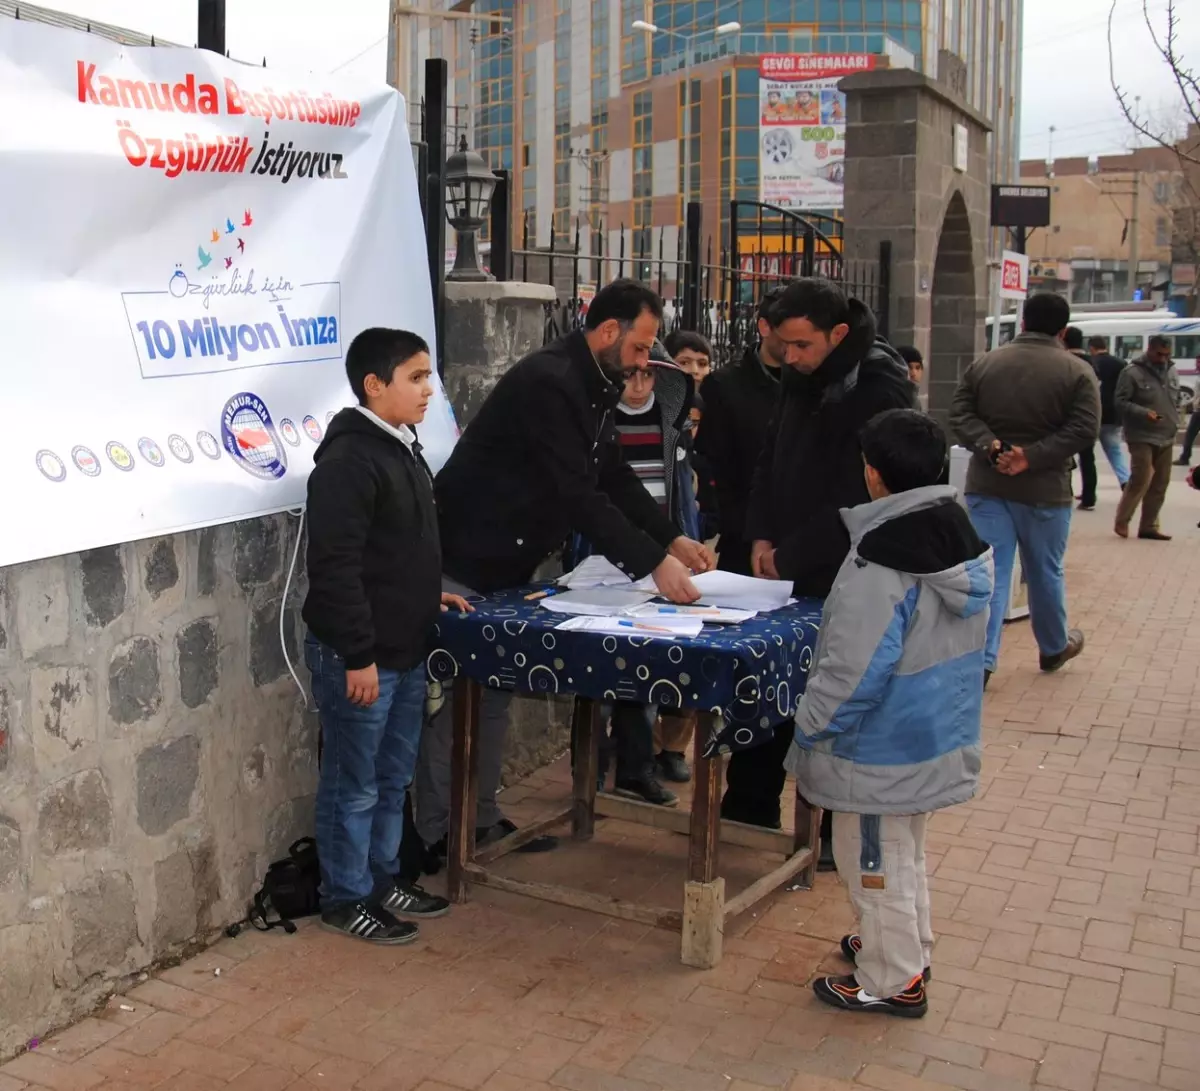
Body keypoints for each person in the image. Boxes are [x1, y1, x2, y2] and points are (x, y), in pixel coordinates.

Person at [415, 279, 716, 864]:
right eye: (639, 348)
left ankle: (476, 819)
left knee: (492, 695)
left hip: (506, 563)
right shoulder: (550, 382)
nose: (643, 364)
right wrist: (654, 564)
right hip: (466, 555)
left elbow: (613, 473)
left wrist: (672, 537)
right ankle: (436, 833)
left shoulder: (596, 382)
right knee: (459, 701)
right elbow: (578, 494)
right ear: (609, 333)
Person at [794, 409, 992, 1018]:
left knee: (872, 861)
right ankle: (906, 947)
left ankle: (892, 977)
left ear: (874, 475)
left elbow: (852, 672)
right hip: (931, 731)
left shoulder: (881, 562)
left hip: (875, 749)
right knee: (905, 850)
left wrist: (808, 723)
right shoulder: (958, 535)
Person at [724, 277, 917, 849]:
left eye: (802, 346)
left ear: (837, 334)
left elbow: (861, 498)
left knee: (837, 701)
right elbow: (769, 456)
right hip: (781, 569)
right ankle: (748, 808)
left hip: (847, 569)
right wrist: (758, 534)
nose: (790, 357)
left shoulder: (880, 386)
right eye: (782, 345)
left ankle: (835, 835)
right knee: (763, 691)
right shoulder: (795, 371)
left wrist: (793, 552)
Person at [302, 328, 469, 944]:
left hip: (406, 646)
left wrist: (429, 596)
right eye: (416, 377)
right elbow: (337, 569)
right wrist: (357, 656)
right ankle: (345, 896)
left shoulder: (401, 447)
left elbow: (397, 551)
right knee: (354, 783)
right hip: (363, 656)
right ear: (375, 386)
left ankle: (381, 878)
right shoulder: (349, 462)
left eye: (429, 376)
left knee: (392, 777)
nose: (429, 389)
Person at [950, 292, 1099, 684]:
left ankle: (981, 659)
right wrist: (1030, 457)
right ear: (1063, 330)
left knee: (991, 572)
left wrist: (993, 446)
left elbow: (960, 413)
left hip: (988, 482)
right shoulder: (1077, 371)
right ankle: (1053, 647)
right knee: (1045, 571)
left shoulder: (986, 363)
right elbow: (1085, 428)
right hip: (1045, 488)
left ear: (1022, 323)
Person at [595, 343, 700, 799]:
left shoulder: (671, 422)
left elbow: (681, 488)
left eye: (647, 376)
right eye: (629, 375)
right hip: (602, 554)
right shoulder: (598, 421)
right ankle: (593, 766)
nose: (637, 386)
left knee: (645, 660)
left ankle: (638, 766)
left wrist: (684, 539)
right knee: (596, 664)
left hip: (661, 554)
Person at [693, 291, 783, 577]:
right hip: (741, 541)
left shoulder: (816, 384)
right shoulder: (724, 386)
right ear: (765, 327)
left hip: (802, 543)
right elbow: (711, 463)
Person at [1113, 334, 1180, 541]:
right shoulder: (1132, 373)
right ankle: (1122, 520)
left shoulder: (1171, 370)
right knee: (1141, 479)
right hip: (1141, 434)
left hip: (1166, 433)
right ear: (1149, 349)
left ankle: (1149, 525)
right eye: (1159, 354)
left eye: (1167, 355)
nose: (1163, 359)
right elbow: (1120, 402)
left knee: (1161, 482)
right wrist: (1144, 413)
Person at [1087, 336, 1132, 488]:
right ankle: (1125, 480)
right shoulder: (1121, 363)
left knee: (1086, 454)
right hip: (1115, 414)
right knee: (1115, 451)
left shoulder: (1092, 363)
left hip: (1093, 413)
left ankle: (1088, 490)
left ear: (1092, 348)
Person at [1064, 327, 1099, 511]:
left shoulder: (1064, 362)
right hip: (1087, 417)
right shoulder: (1091, 363)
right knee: (1088, 459)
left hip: (1065, 419)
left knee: (1062, 457)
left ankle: (1066, 492)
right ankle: (1089, 496)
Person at [1176, 382, 1200, 465]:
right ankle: (1184, 457)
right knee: (1189, 435)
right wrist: (1186, 403)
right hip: (1197, 411)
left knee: (1190, 435)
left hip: (1198, 412)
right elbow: (1196, 396)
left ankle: (1184, 458)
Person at [896, 345, 926, 411]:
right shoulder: (895, 397)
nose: (914, 373)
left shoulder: (915, 400)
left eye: (918, 368)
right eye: (909, 367)